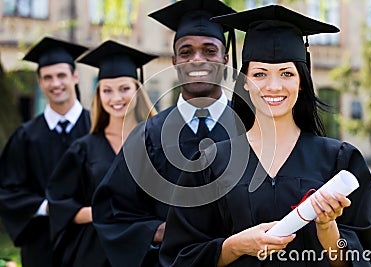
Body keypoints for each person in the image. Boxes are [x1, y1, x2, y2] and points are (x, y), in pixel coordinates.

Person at [160, 5, 371, 267]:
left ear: (302, 80)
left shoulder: (339, 161)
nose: (274, 86)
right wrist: (233, 246)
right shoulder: (210, 162)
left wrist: (327, 229)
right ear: (244, 80)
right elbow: (179, 257)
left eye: (287, 74)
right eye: (259, 74)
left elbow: (370, 259)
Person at [91, 0, 238, 266]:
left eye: (209, 50)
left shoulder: (249, 129)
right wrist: (164, 232)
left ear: (225, 60)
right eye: (186, 52)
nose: (197, 60)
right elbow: (113, 212)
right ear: (174, 62)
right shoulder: (146, 136)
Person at [46, 40, 157, 267]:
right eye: (107, 90)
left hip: (149, 252)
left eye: (124, 89)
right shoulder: (84, 148)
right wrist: (104, 216)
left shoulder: (158, 143)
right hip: (95, 252)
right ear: (99, 95)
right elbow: (60, 204)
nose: (116, 98)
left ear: (137, 90)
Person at [0, 37, 90, 267]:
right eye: (48, 77)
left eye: (61, 75)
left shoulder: (98, 128)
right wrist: (48, 207)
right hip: (42, 245)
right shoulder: (25, 136)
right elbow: (8, 190)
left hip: (91, 242)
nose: (55, 83)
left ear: (75, 77)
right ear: (40, 82)